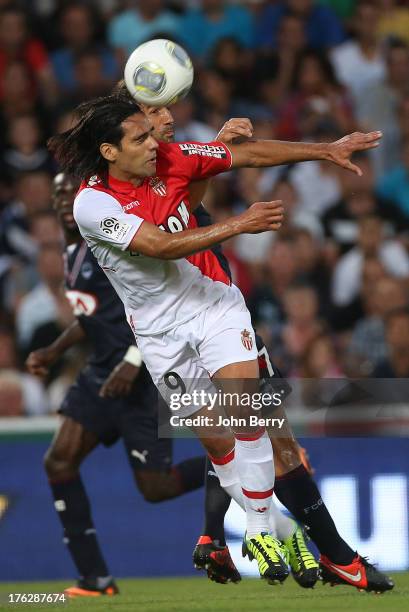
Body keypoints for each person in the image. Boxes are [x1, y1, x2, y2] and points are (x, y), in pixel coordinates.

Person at [48, 93, 393, 592]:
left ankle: (258, 529)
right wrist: (243, 222)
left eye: (154, 129)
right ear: (109, 152)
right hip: (158, 335)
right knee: (217, 443)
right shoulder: (92, 205)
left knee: (246, 414)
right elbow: (160, 245)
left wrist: (325, 149)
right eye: (141, 136)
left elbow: (246, 155)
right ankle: (275, 527)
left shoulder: (169, 157)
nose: (155, 140)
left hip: (213, 305)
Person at [26, 173, 207, 597]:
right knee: (58, 462)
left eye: (69, 189)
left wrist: (132, 359)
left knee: (156, 488)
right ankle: (95, 579)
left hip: (141, 375)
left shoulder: (110, 240)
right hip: (99, 374)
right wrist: (54, 349)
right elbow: (93, 316)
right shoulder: (71, 252)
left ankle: (229, 464)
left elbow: (153, 301)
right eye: (56, 192)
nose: (62, 196)